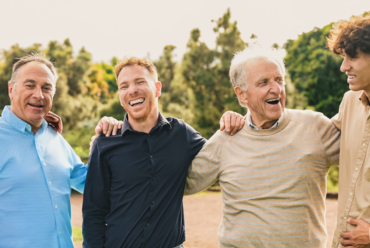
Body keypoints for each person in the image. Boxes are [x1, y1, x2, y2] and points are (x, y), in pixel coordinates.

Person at [184, 47, 341, 247]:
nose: (275, 89)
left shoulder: (314, 127)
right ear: (242, 95)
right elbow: (178, 185)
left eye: (279, 80)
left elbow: (362, 159)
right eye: (263, 82)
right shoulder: (226, 138)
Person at [82, 57, 244, 248]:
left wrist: (231, 118)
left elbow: (219, 157)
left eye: (140, 82)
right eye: (124, 86)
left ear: (157, 88)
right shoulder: (105, 144)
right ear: (120, 95)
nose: (132, 90)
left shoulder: (181, 133)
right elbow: (94, 211)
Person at [0, 53, 120, 248]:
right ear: (11, 90)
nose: (39, 95)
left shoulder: (55, 138)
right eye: (30, 85)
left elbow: (90, 182)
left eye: (46, 88)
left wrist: (104, 141)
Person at [327, 14, 370, 248]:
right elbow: (314, 135)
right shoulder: (350, 101)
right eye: (344, 57)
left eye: (353, 57)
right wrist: (250, 118)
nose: (344, 66)